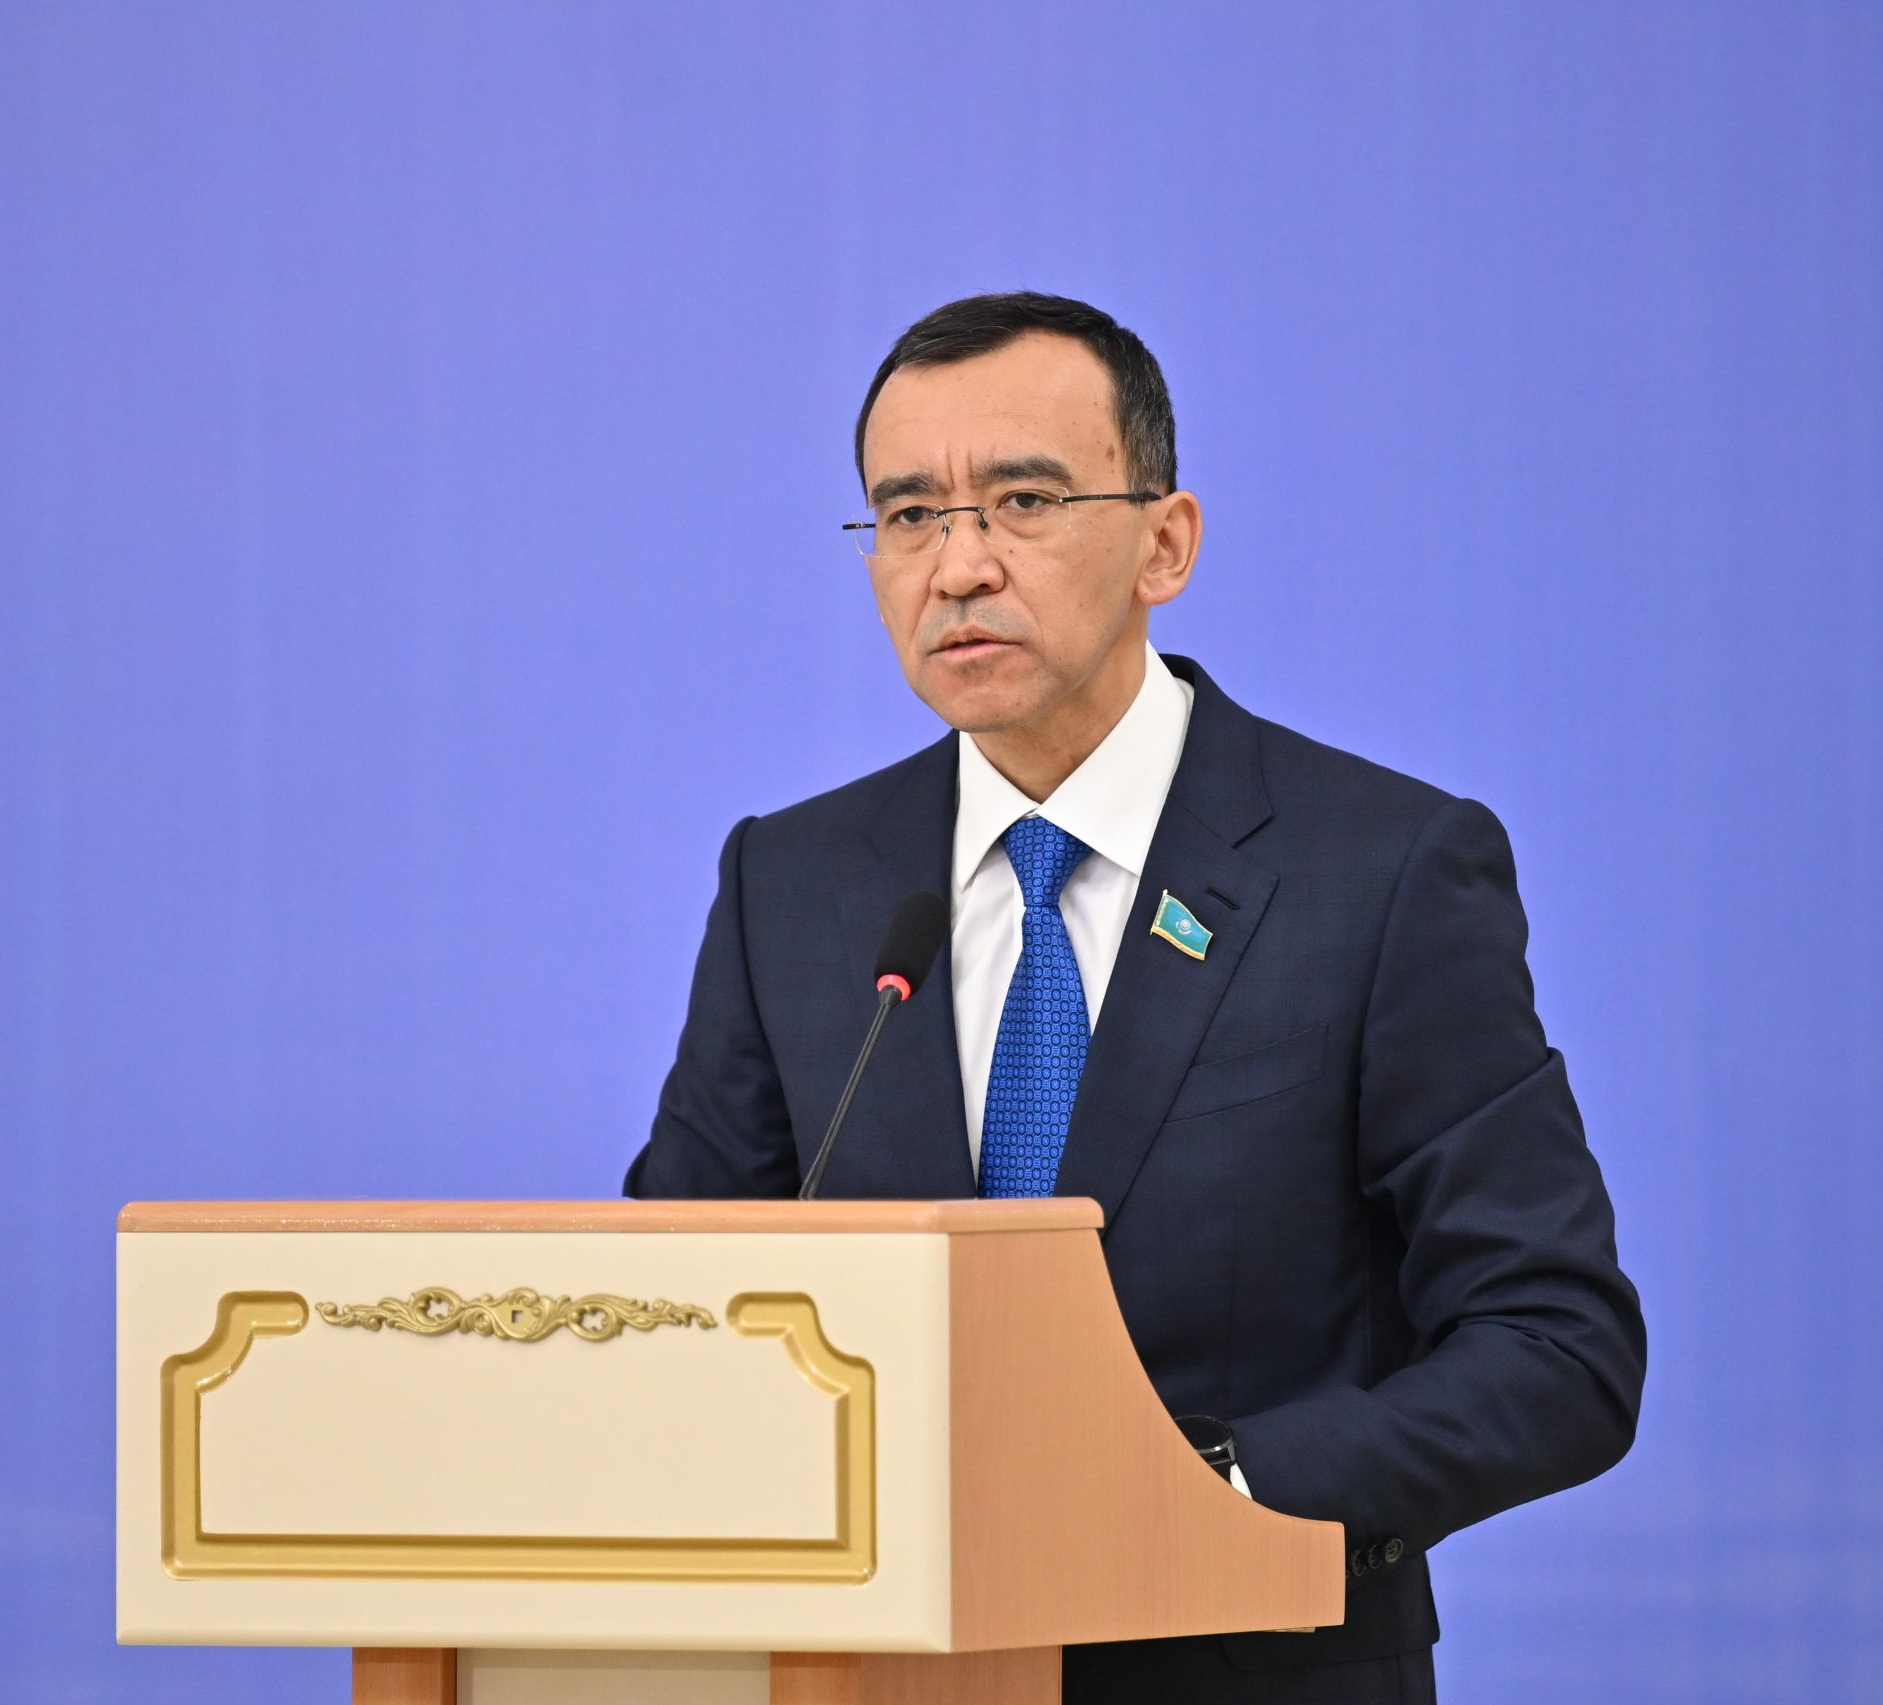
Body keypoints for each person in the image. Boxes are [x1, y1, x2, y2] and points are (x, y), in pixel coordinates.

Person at [622, 292, 1644, 1704]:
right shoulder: (791, 883)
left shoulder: (1384, 868)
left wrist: (1205, 1487)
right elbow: (675, 1310)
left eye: (1023, 501)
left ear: (1165, 542)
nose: (959, 566)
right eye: (909, 515)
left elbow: (1556, 1346)